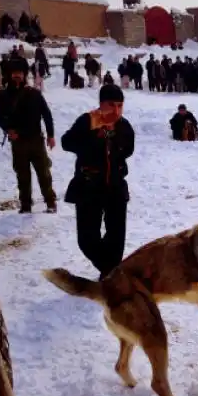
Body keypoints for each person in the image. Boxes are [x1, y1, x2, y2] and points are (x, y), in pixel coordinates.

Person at [61, 84, 135, 280]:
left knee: (116, 236)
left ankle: (111, 274)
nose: (116, 110)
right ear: (101, 104)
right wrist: (93, 136)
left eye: (120, 105)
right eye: (112, 105)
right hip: (89, 186)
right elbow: (66, 142)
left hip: (116, 187)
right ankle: (111, 269)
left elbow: (128, 149)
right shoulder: (87, 121)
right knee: (87, 239)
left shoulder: (123, 125)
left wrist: (114, 140)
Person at [0, 58, 57, 213]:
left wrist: (51, 135)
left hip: (36, 139)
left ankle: (50, 202)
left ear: (24, 74)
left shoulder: (34, 93)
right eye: (14, 73)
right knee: (22, 175)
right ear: (9, 75)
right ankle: (26, 205)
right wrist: (8, 129)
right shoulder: (3, 95)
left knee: (44, 173)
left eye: (19, 73)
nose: (17, 76)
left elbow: (46, 114)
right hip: (18, 141)